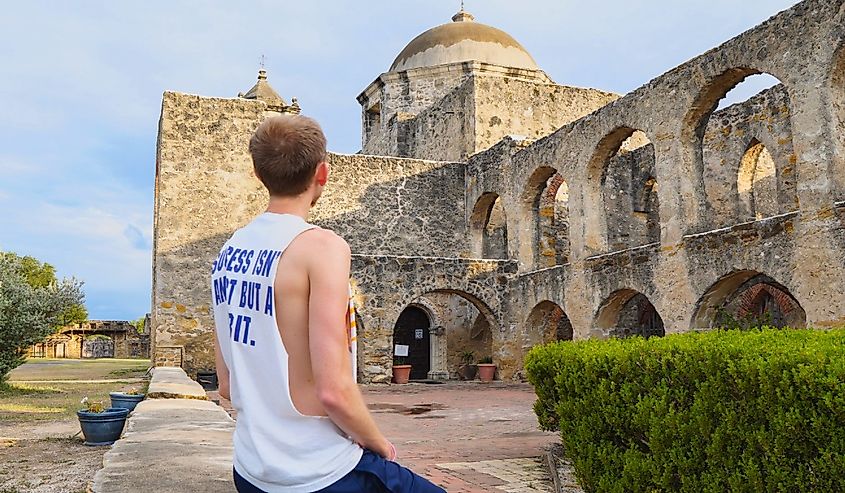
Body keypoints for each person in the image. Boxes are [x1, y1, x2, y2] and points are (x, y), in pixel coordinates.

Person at [211, 114, 445, 493]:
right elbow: (333, 390)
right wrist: (379, 444)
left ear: (258, 174)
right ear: (322, 173)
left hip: (251, 472)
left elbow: (226, 384)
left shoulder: (228, 252)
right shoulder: (322, 248)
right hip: (319, 471)